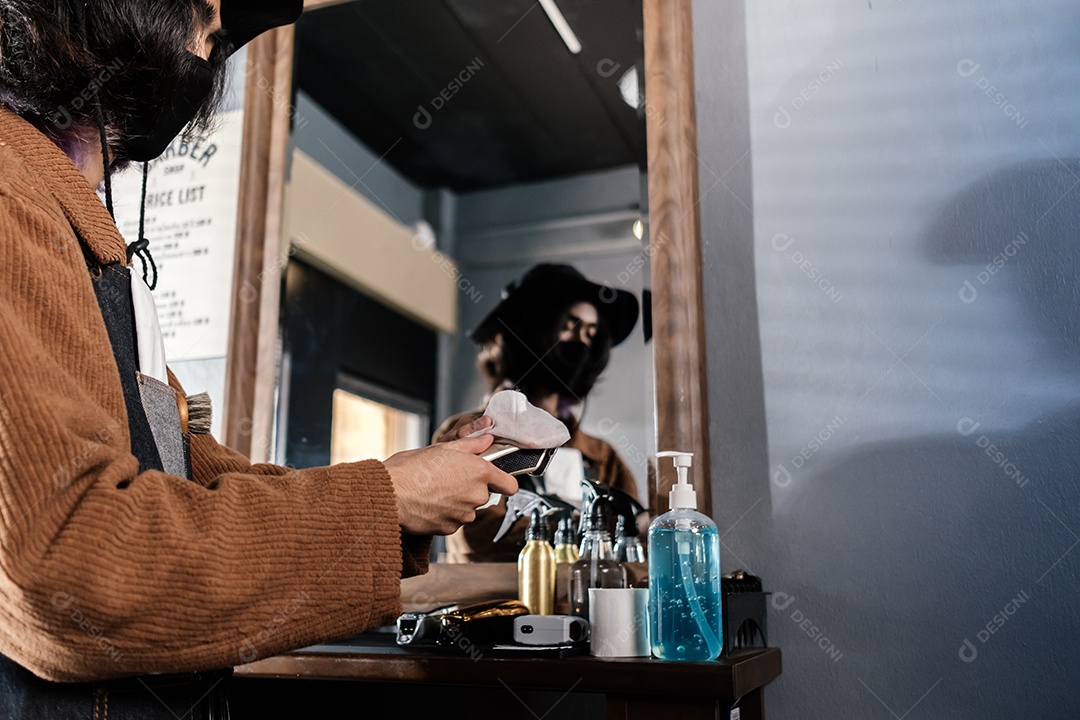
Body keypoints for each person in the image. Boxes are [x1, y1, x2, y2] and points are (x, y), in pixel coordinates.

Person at [0, 1, 515, 717]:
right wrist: (386, 499)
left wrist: (402, 495)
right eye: (207, 18)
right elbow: (63, 565)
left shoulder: (88, 248)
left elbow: (195, 481)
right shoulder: (11, 199)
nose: (211, 43)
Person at [434, 263, 643, 563]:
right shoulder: (468, 432)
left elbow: (633, 535)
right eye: (570, 326)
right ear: (532, 330)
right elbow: (480, 534)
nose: (581, 341)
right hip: (490, 593)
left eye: (590, 332)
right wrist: (594, 529)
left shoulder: (603, 458)